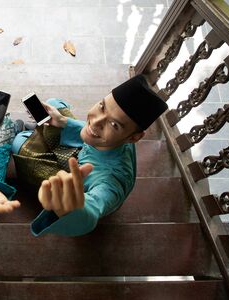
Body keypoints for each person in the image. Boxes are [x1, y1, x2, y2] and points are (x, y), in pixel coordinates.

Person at [12, 74, 168, 236]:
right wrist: (63, 122)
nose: (95, 122)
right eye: (102, 106)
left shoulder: (112, 182)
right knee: (53, 104)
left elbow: (92, 210)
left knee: (18, 143)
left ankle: (35, 135)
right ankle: (39, 132)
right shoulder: (118, 138)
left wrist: (70, 208)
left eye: (114, 124)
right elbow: (93, 130)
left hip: (76, 180)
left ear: (133, 138)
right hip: (84, 149)